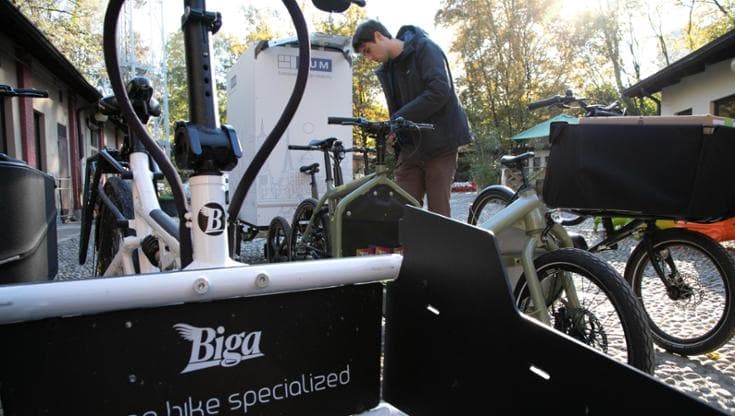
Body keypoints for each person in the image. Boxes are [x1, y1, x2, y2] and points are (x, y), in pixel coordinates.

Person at [352, 19, 472, 217]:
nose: (368, 58)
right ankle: (408, 249)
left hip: (440, 143)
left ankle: (440, 248)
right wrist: (393, 130)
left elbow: (439, 91)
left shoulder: (425, 48)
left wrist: (397, 119)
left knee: (438, 215)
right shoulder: (388, 70)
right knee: (402, 212)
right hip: (410, 148)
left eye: (367, 50)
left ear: (378, 36)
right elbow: (399, 110)